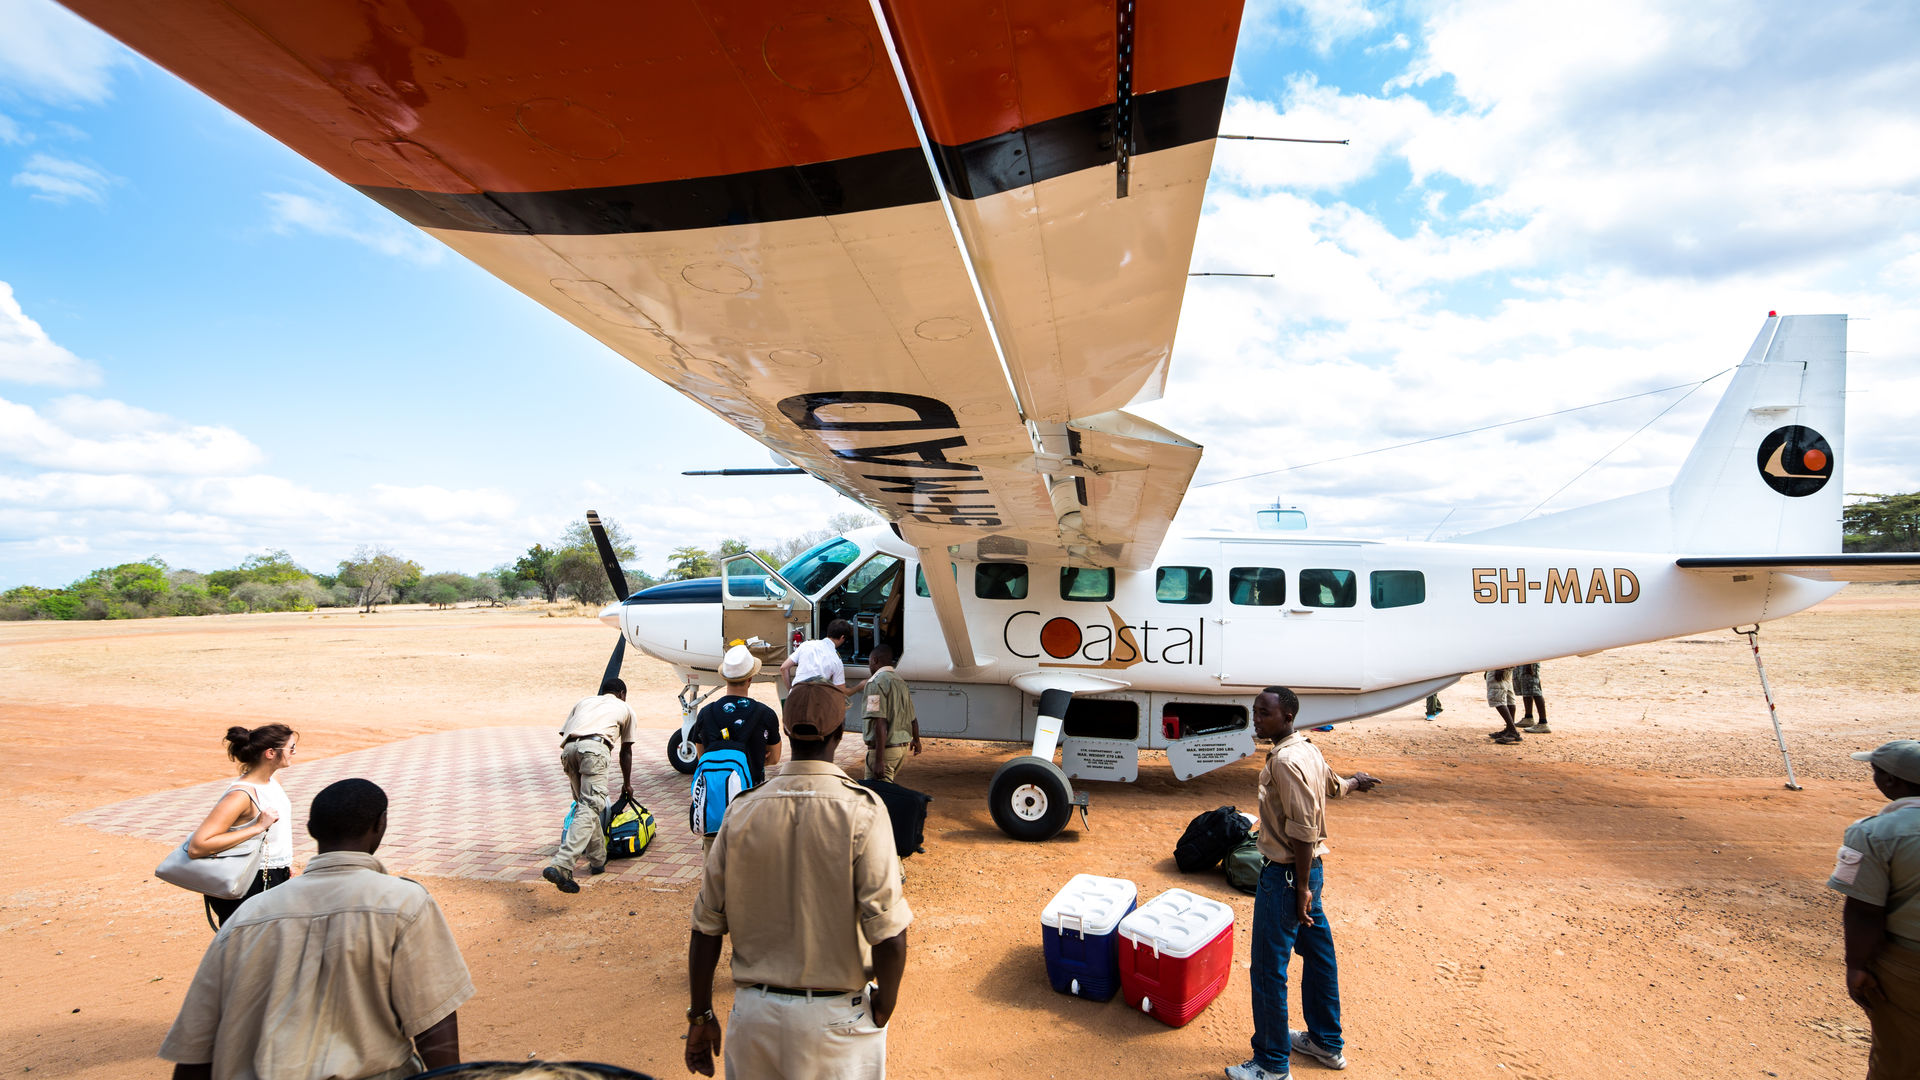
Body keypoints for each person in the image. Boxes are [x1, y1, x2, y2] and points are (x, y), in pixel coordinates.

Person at [160, 778, 473, 1079]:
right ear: (381, 824)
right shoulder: (404, 903)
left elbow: (195, 1052)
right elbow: (434, 1023)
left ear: (311, 830)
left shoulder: (247, 917)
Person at [685, 681, 912, 1079]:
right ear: (841, 734)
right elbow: (890, 938)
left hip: (754, 1017)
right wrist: (883, 1007)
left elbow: (706, 928)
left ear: (786, 733)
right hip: (837, 1022)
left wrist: (701, 1014)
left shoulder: (742, 812)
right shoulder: (863, 810)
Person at [1229, 686, 1381, 1080]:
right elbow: (1334, 786)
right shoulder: (1308, 749)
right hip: (1309, 873)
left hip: (1288, 876)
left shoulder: (1284, 760)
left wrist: (1299, 891)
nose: (1257, 719)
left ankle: (1271, 1064)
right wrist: (1357, 781)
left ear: (1288, 717)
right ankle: (1326, 1043)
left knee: (1267, 969)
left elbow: (1303, 829)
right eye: (1255, 711)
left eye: (1265, 713)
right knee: (1318, 956)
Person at [1826, 739, 1920, 1080]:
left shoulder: (1875, 833)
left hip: (1908, 964)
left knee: (1899, 1059)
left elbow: (1865, 909)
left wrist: (1857, 966)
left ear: (1892, 782)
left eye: (1876, 772)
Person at [188, 724, 298, 929]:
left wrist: (282, 862)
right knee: (250, 948)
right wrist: (256, 827)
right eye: (291, 748)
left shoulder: (273, 780)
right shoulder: (240, 795)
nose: (294, 753)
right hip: (249, 881)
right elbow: (198, 846)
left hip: (273, 874)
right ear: (270, 753)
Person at [544, 677, 637, 894]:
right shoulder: (625, 707)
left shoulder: (584, 701)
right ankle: (563, 864)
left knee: (585, 805)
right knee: (590, 806)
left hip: (569, 749)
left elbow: (565, 732)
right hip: (595, 748)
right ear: (622, 693)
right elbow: (626, 750)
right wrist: (627, 784)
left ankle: (597, 861)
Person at [692, 644, 783, 854]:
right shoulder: (765, 714)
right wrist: (758, 757)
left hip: (715, 804)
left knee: (712, 863)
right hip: (751, 803)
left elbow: (701, 757)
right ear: (751, 678)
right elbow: (775, 757)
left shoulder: (706, 713)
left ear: (725, 677)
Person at [859, 643, 919, 783]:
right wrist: (917, 740)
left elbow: (879, 722)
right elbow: (913, 717)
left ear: (874, 660)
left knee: (876, 796)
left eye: (869, 663)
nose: (869, 667)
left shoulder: (875, 683)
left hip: (885, 751)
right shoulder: (900, 682)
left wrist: (879, 760)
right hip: (901, 750)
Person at [778, 619, 864, 700]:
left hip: (795, 695)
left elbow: (784, 668)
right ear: (842, 637)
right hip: (816, 701)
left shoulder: (806, 644)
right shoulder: (836, 660)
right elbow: (842, 692)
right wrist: (859, 686)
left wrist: (791, 690)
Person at [1484, 668, 1521, 744]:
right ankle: (1509, 728)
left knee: (1497, 699)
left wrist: (1500, 668)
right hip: (1507, 667)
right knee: (1508, 697)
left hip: (1499, 667)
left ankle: (1512, 730)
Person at [1514, 663, 1549, 733]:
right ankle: (1528, 718)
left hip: (1529, 662)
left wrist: (1530, 663)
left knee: (1535, 691)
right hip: (1522, 662)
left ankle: (1543, 723)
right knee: (1526, 689)